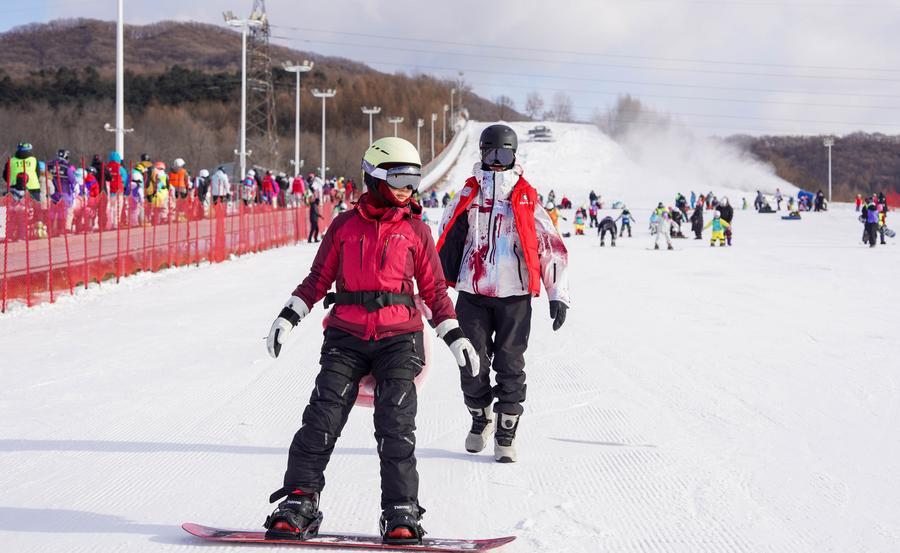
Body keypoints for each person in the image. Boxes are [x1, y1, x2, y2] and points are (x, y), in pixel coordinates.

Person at [262, 137, 478, 545]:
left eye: (413, 180)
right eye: (399, 178)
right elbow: (318, 278)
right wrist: (289, 316)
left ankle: (400, 509)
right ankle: (299, 501)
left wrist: (455, 337)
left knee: (396, 425)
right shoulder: (344, 226)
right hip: (346, 336)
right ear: (375, 177)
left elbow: (434, 291)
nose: (408, 188)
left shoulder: (416, 231)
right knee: (321, 419)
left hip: (399, 339)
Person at [437, 125, 570, 464]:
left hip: (514, 294)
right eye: (491, 154)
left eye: (504, 154)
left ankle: (506, 431)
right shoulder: (468, 194)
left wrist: (558, 293)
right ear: (482, 154)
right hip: (473, 291)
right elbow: (446, 233)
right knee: (472, 360)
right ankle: (480, 417)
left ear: (514, 155)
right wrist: (437, 282)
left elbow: (549, 244)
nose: (497, 162)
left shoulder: (525, 198)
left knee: (510, 363)